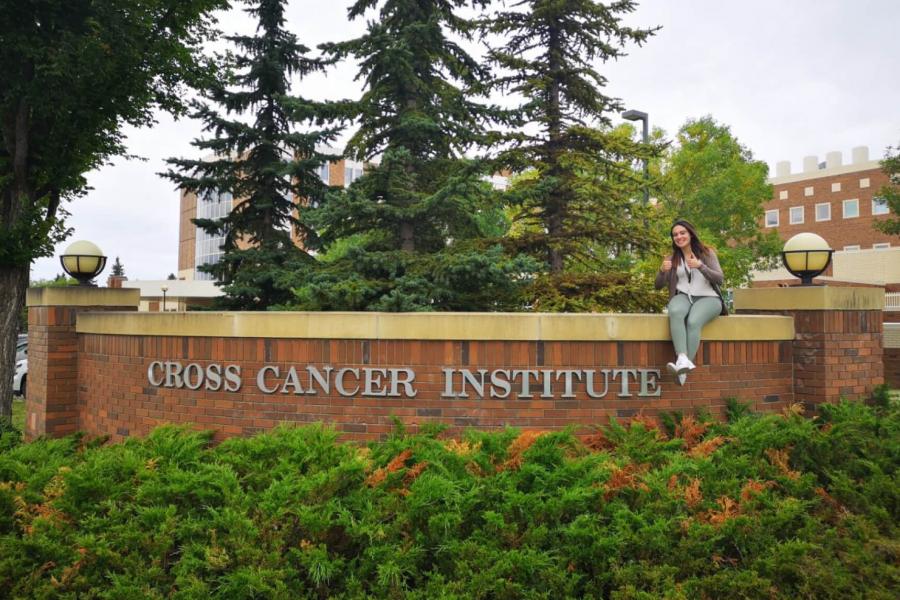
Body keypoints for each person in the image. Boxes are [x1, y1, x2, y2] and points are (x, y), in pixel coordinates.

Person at [655, 219, 727, 385]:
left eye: (682, 233)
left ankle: (683, 367)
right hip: (683, 296)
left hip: (709, 298)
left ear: (690, 233)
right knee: (675, 311)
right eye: (675, 235)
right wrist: (661, 271)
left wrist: (700, 266)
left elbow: (720, 279)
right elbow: (658, 285)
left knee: (693, 321)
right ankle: (682, 360)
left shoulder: (706, 253)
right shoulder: (672, 258)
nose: (679, 237)